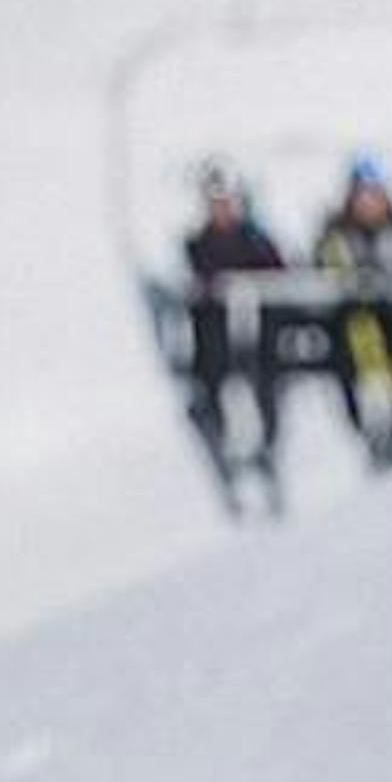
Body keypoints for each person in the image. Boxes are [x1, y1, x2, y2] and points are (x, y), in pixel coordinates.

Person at [176, 164, 293, 517]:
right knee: (217, 396)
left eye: (227, 201)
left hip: (258, 346)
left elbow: (281, 277)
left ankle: (266, 457)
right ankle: (228, 457)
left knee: (264, 391)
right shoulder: (196, 245)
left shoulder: (256, 241)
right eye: (216, 202)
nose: (222, 209)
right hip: (214, 350)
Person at [311, 153, 392, 468]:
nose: (368, 202)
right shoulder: (335, 233)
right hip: (351, 330)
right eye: (362, 194)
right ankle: (372, 435)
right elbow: (326, 271)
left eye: (374, 194)